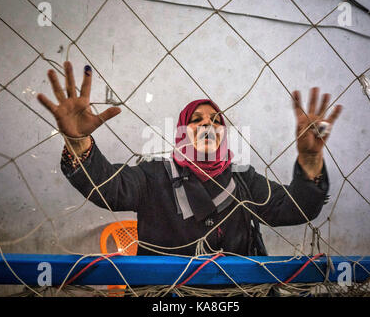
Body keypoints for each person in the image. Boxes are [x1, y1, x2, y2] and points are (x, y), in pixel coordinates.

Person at [37, 61, 342, 256]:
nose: (208, 124)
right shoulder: (153, 176)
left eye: (217, 120)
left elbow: (296, 209)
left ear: (224, 133)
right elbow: (107, 187)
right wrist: (78, 141)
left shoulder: (243, 180)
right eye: (197, 119)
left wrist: (311, 159)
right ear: (182, 131)